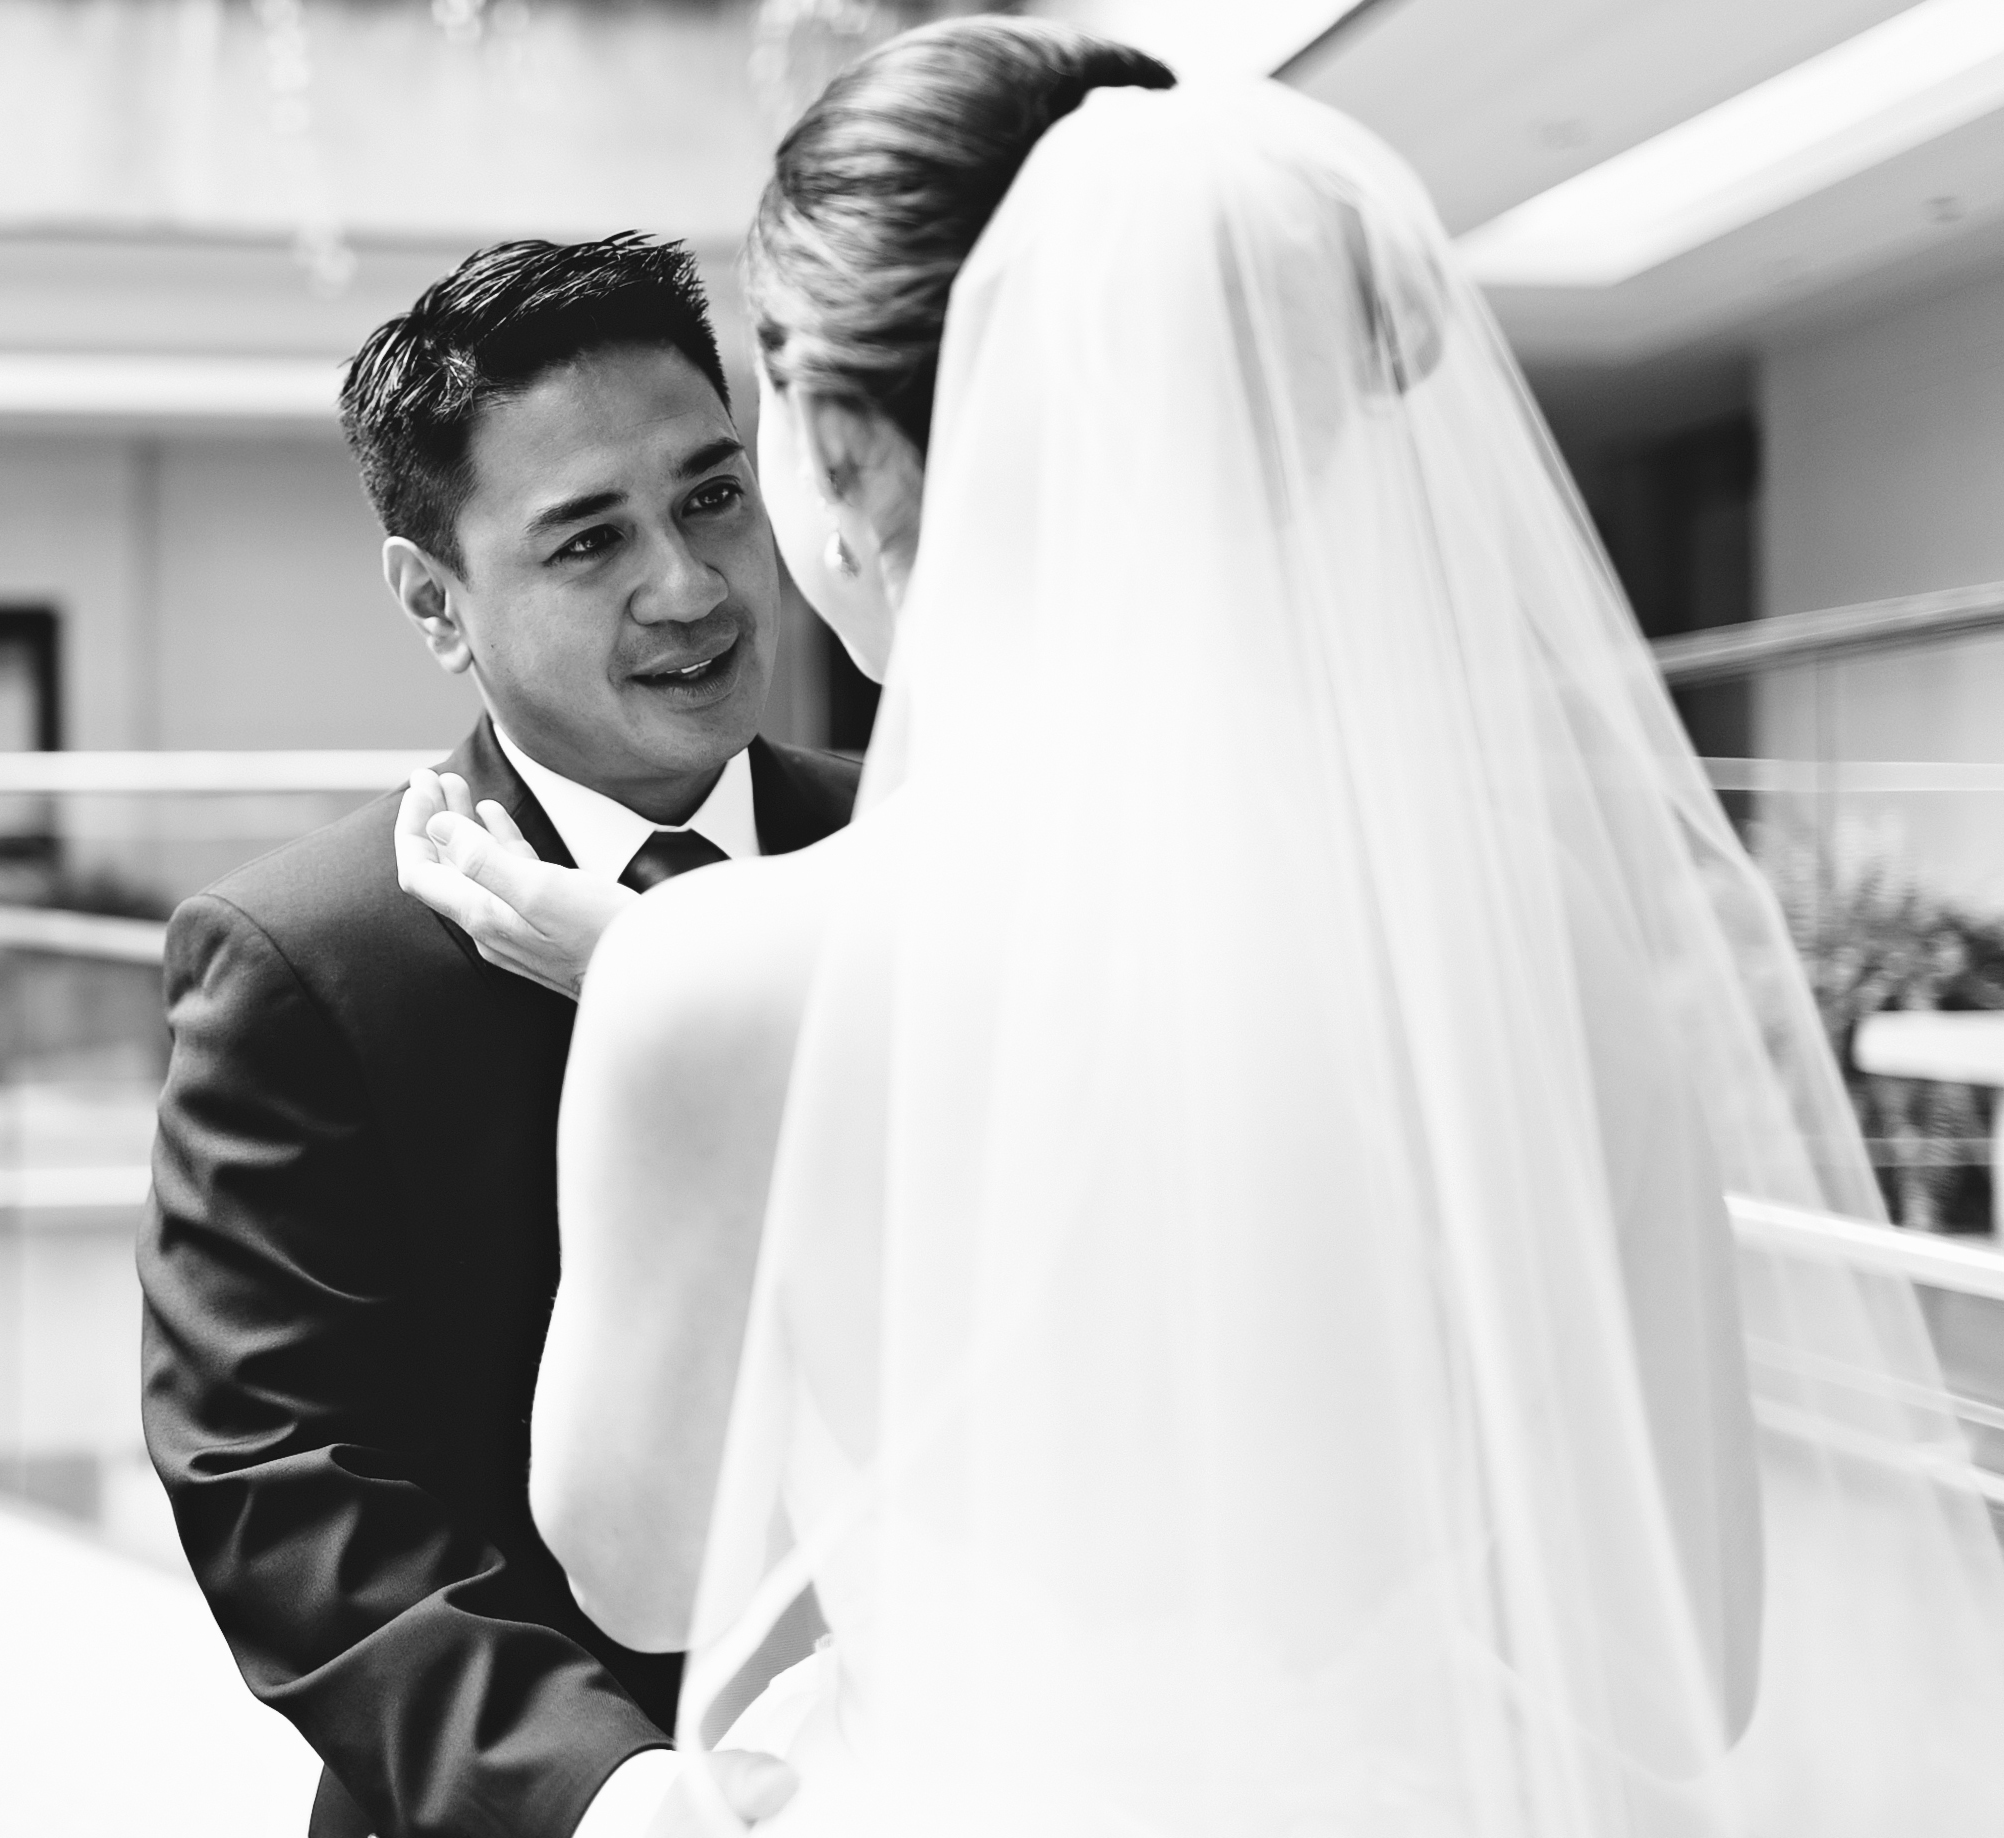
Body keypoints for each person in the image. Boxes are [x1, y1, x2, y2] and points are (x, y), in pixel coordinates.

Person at [401, 19, 2004, 1836]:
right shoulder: (1528, 931)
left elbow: (648, 1575)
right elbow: (1677, 1668)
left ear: (842, 448)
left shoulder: (712, 974)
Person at [138, 233, 860, 1838]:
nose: (684, 584)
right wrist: (607, 1792)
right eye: (586, 540)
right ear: (433, 600)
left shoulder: (927, 844)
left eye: (710, 496)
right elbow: (280, 1476)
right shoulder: (305, 960)